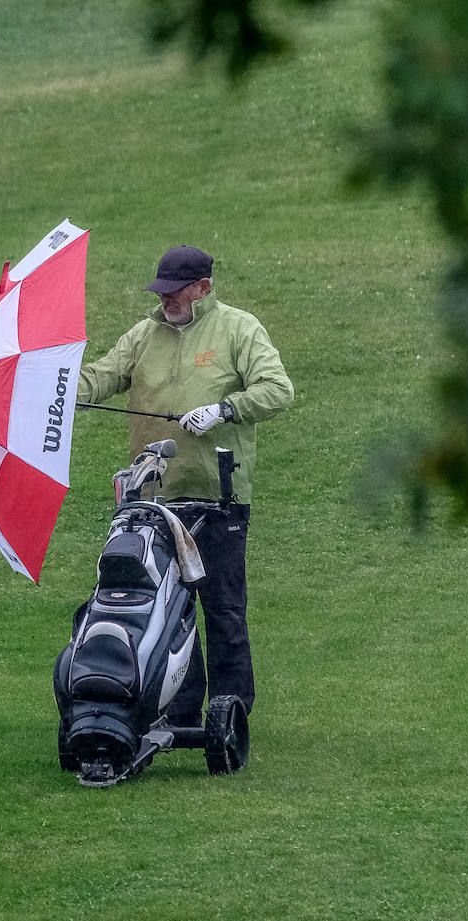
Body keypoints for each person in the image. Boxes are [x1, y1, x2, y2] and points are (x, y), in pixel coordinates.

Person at [76, 245, 294, 759]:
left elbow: (278, 390)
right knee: (164, 611)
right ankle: (177, 710)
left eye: (176, 292)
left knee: (222, 611)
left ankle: (232, 711)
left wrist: (224, 409)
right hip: (152, 500)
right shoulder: (143, 334)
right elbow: (102, 376)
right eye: (162, 292)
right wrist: (58, 387)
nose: (166, 300)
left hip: (219, 499)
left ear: (204, 287)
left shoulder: (239, 329)